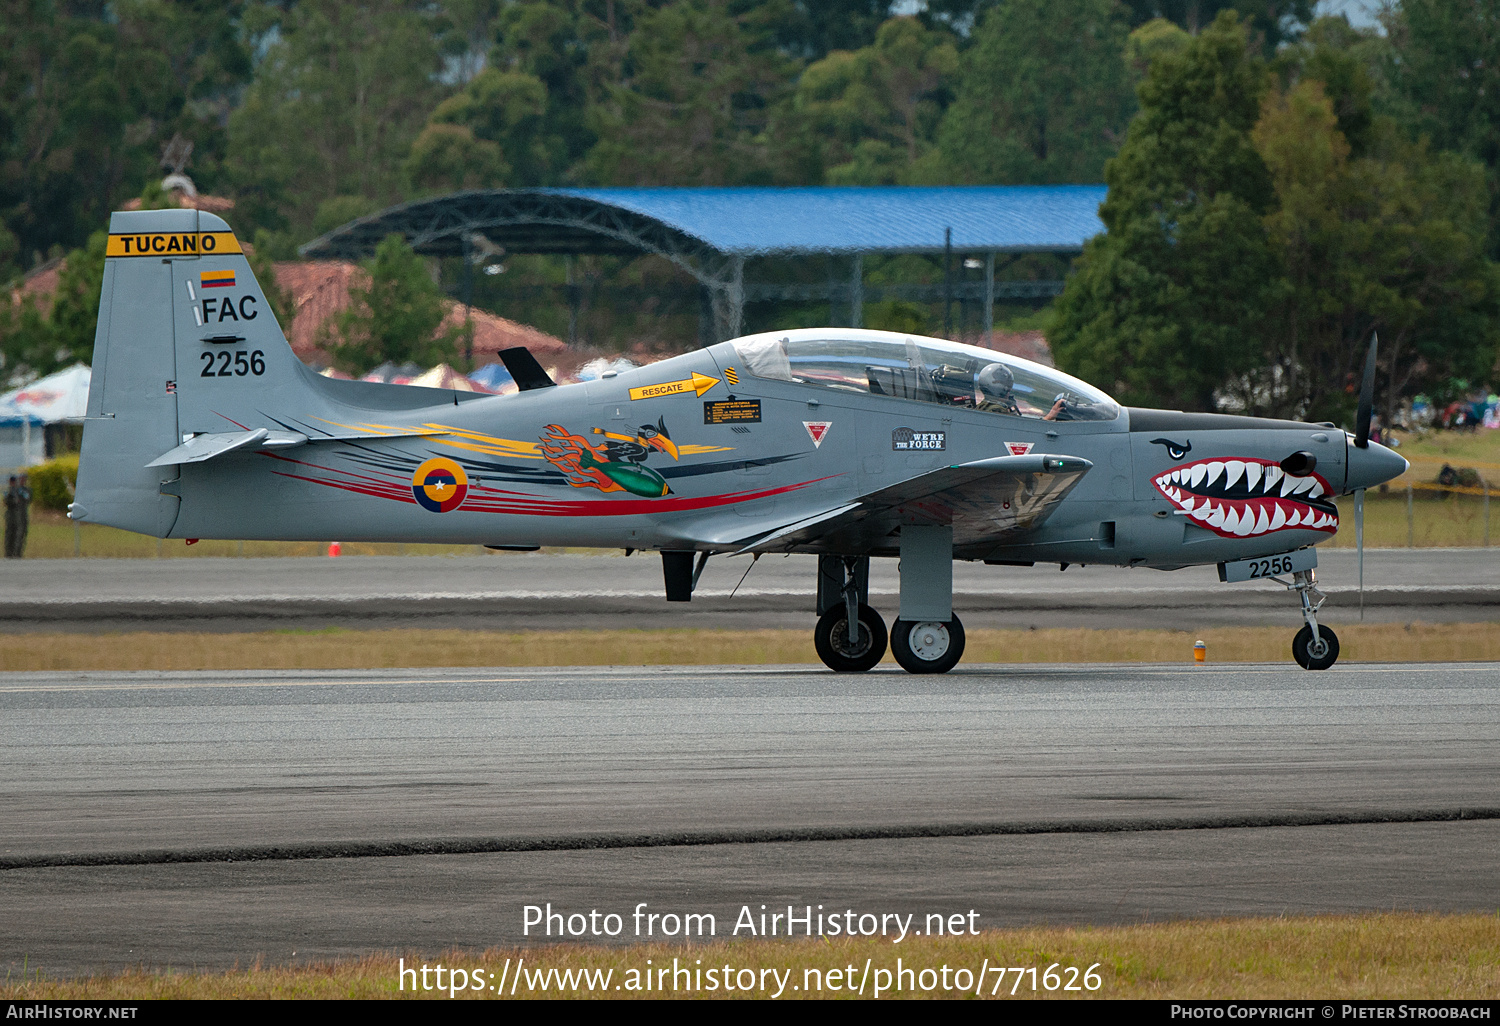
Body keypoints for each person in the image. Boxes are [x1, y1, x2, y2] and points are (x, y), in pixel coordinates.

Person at [4, 475, 20, 558]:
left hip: (16, 515)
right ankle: (8, 553)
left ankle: (15, 552)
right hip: (10, 514)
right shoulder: (8, 491)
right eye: (13, 482)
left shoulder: (17, 491)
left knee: (15, 533)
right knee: (9, 534)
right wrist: (14, 501)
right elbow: (6, 501)